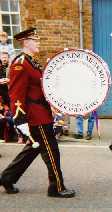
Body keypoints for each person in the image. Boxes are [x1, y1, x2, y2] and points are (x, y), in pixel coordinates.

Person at [0, 27, 75, 198]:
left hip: (42, 112)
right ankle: (56, 187)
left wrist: (53, 104)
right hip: (35, 116)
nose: (38, 42)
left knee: (32, 149)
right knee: (51, 150)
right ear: (26, 42)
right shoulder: (20, 63)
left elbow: (40, 89)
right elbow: (16, 92)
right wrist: (20, 119)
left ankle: (7, 177)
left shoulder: (31, 61)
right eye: (35, 40)